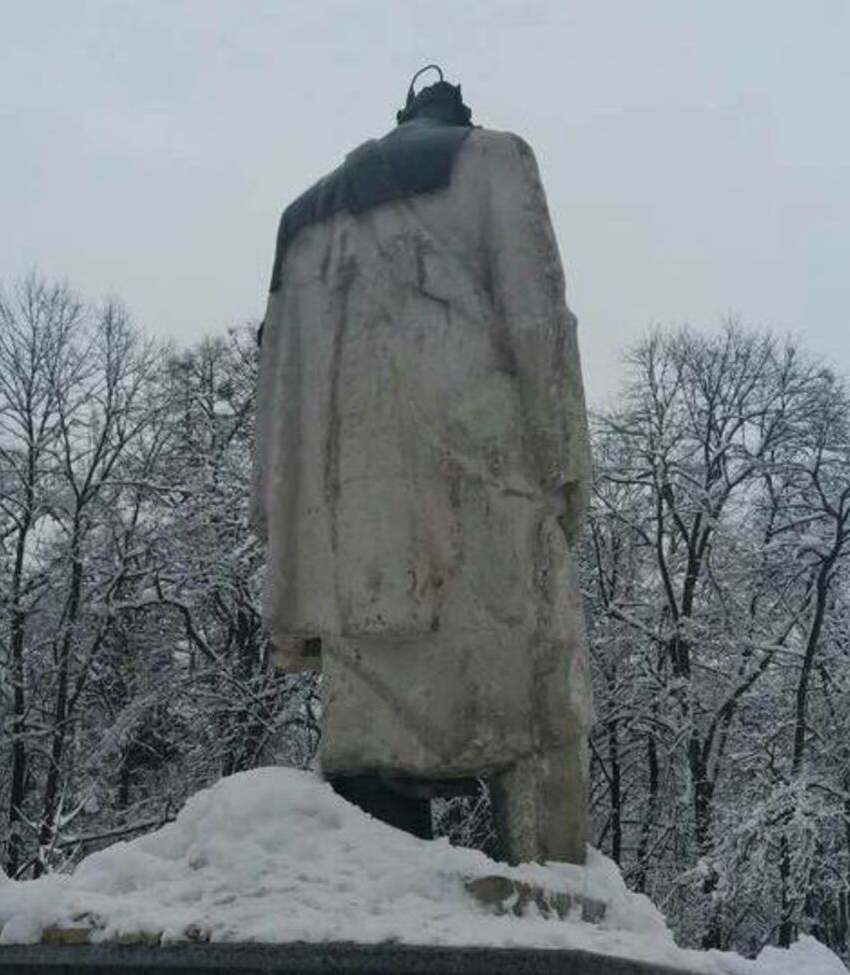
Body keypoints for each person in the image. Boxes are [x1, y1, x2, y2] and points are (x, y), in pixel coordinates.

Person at [251, 68, 592, 864]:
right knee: (540, 748)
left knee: (370, 793)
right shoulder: (495, 159)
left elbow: (272, 398)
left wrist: (284, 542)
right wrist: (566, 472)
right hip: (480, 512)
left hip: (347, 550)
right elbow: (539, 320)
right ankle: (566, 927)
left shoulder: (302, 218)